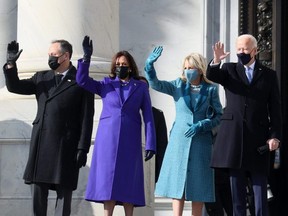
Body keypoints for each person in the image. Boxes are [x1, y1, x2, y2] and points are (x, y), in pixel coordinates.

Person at [3, 40, 95, 216]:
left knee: (63, 196)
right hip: (42, 144)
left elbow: (86, 117)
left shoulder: (81, 81)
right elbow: (15, 87)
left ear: (66, 56)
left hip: (66, 146)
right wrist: (11, 64)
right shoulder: (42, 78)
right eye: (49, 55)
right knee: (38, 192)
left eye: (53, 55)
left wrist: (83, 148)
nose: (50, 58)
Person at [76, 36, 156, 216]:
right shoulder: (106, 84)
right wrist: (86, 59)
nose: (121, 66)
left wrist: (151, 143)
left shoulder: (140, 87)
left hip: (130, 138)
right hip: (107, 139)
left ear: (131, 66)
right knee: (108, 181)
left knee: (129, 180)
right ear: (114, 66)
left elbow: (149, 116)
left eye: (124, 64)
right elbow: (82, 81)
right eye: (118, 64)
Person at [206, 34, 282, 216]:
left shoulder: (269, 75)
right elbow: (212, 74)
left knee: (260, 193)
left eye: (245, 49)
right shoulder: (229, 70)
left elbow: (275, 109)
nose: (241, 53)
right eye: (239, 49)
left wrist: (275, 136)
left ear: (255, 51)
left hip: (258, 140)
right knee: (237, 196)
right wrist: (216, 60)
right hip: (234, 139)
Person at [145, 46, 223, 216]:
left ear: (200, 69)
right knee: (177, 183)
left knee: (199, 185)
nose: (188, 71)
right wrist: (149, 66)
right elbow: (156, 84)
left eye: (191, 68)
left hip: (201, 142)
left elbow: (218, 115)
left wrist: (202, 125)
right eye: (185, 68)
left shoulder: (210, 89)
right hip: (179, 141)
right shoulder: (178, 85)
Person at [138, 76, 168, 183]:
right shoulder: (126, 113)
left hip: (149, 168)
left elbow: (162, 145)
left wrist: (159, 173)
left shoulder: (157, 114)